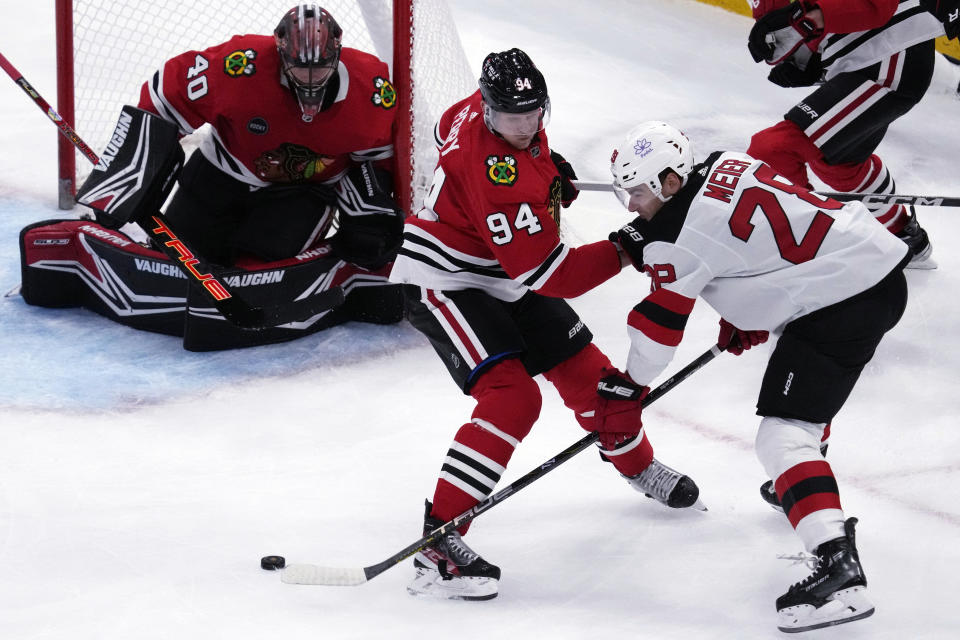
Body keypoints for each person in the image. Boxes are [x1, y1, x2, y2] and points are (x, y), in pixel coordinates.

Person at [388, 49, 703, 601]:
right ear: (488, 113)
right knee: (512, 398)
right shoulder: (495, 173)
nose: (527, 126)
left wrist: (548, 175)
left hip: (502, 270)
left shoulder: (477, 111)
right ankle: (439, 541)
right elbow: (556, 277)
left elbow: (443, 129)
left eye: (535, 114)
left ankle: (637, 467)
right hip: (446, 278)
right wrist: (629, 243)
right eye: (513, 119)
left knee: (593, 377)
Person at [608, 120, 910, 632]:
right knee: (803, 418)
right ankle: (803, 490)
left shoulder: (677, 235)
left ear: (671, 182)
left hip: (841, 300)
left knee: (784, 433)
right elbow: (764, 245)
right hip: (871, 272)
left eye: (638, 192)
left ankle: (838, 570)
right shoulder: (730, 162)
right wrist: (748, 311)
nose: (632, 206)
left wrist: (630, 387)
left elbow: (658, 335)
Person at [56, 4, 406, 350]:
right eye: (300, 69)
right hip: (223, 171)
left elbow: (374, 163)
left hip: (305, 192)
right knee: (175, 257)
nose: (311, 80)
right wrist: (130, 173)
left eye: (321, 68)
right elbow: (165, 96)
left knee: (259, 269)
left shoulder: (372, 92)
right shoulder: (240, 64)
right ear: (280, 53)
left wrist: (368, 214)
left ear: (338, 55)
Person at [745, 0, 947, 269]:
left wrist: (807, 18)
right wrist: (808, 56)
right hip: (862, 60)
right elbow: (791, 24)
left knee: (774, 148)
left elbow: (877, 6)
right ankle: (905, 236)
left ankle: (798, 251)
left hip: (890, 56)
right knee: (838, 164)